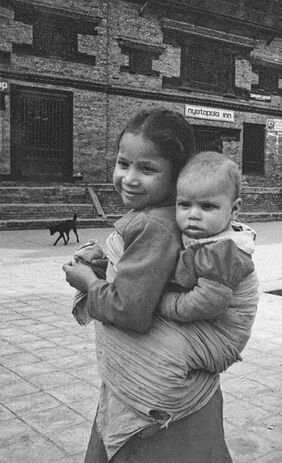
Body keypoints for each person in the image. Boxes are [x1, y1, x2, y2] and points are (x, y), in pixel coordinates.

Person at [62, 108, 234, 463]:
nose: (129, 178)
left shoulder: (151, 225)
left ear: (177, 176)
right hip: (185, 403)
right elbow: (154, 279)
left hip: (152, 407)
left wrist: (88, 282)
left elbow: (131, 310)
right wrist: (110, 262)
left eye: (148, 169)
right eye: (123, 163)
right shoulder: (175, 216)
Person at [158, 151, 258, 367]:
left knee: (150, 347)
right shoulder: (206, 234)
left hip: (221, 339)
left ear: (234, 209)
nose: (193, 214)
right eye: (184, 204)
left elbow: (205, 304)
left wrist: (160, 303)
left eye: (207, 206)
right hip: (208, 328)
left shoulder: (225, 250)